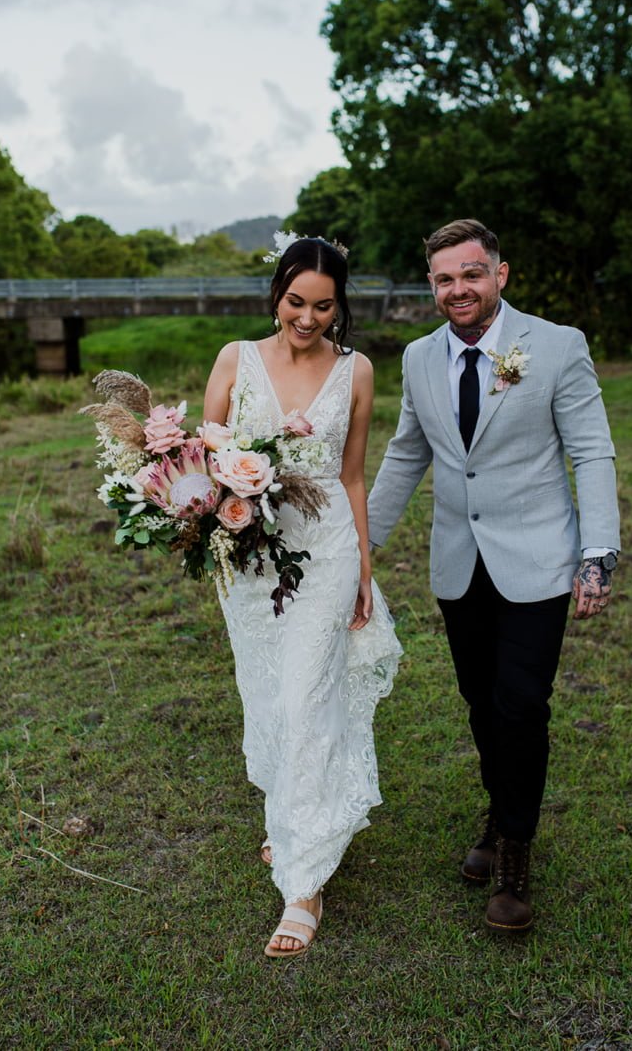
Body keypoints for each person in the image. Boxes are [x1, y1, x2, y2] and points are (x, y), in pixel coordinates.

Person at [367, 218, 620, 934]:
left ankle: (514, 850)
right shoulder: (419, 357)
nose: (459, 289)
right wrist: (363, 542)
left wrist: (598, 552)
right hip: (458, 561)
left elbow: (592, 451)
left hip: (539, 559)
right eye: (444, 278)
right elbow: (407, 452)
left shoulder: (558, 346)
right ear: (432, 286)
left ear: (499, 275)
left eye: (472, 274)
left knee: (522, 705)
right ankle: (501, 808)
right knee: (481, 702)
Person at [203, 235, 401, 959]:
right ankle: (288, 815)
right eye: (296, 302)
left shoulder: (357, 370)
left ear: (339, 306)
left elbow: (352, 476)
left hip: (326, 554)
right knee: (266, 697)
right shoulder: (235, 359)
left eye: (324, 306)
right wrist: (211, 508)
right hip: (251, 559)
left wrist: (364, 568)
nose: (308, 319)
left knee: (306, 700)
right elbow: (205, 460)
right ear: (277, 295)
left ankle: (305, 884)